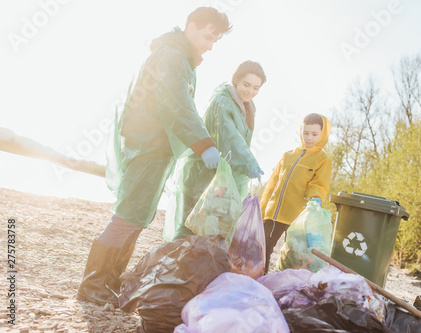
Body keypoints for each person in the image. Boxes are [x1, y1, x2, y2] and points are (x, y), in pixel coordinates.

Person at [77, 7, 232, 307]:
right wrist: (204, 145)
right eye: (208, 36)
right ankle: (92, 285)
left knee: (137, 218)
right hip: (148, 143)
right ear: (191, 26)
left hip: (157, 147)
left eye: (215, 41)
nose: (210, 45)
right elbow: (176, 105)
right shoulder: (172, 56)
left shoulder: (182, 60)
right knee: (127, 216)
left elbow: (181, 105)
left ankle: (108, 283)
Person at [171, 60, 266, 240]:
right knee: (192, 224)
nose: (250, 91)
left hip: (222, 177)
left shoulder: (247, 107)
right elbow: (229, 137)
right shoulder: (222, 102)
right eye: (246, 85)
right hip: (204, 174)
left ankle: (198, 265)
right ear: (236, 80)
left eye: (256, 88)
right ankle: (170, 264)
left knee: (213, 227)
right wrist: (249, 163)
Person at [260, 113, 332, 273]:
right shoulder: (288, 156)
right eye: (306, 133)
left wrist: (316, 198)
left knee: (294, 254)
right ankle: (259, 277)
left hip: (298, 217)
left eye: (314, 134)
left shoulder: (322, 159)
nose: (309, 137)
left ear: (323, 134)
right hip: (275, 213)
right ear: (301, 131)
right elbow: (272, 184)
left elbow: (319, 184)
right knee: (263, 245)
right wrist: (263, 207)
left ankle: (288, 282)